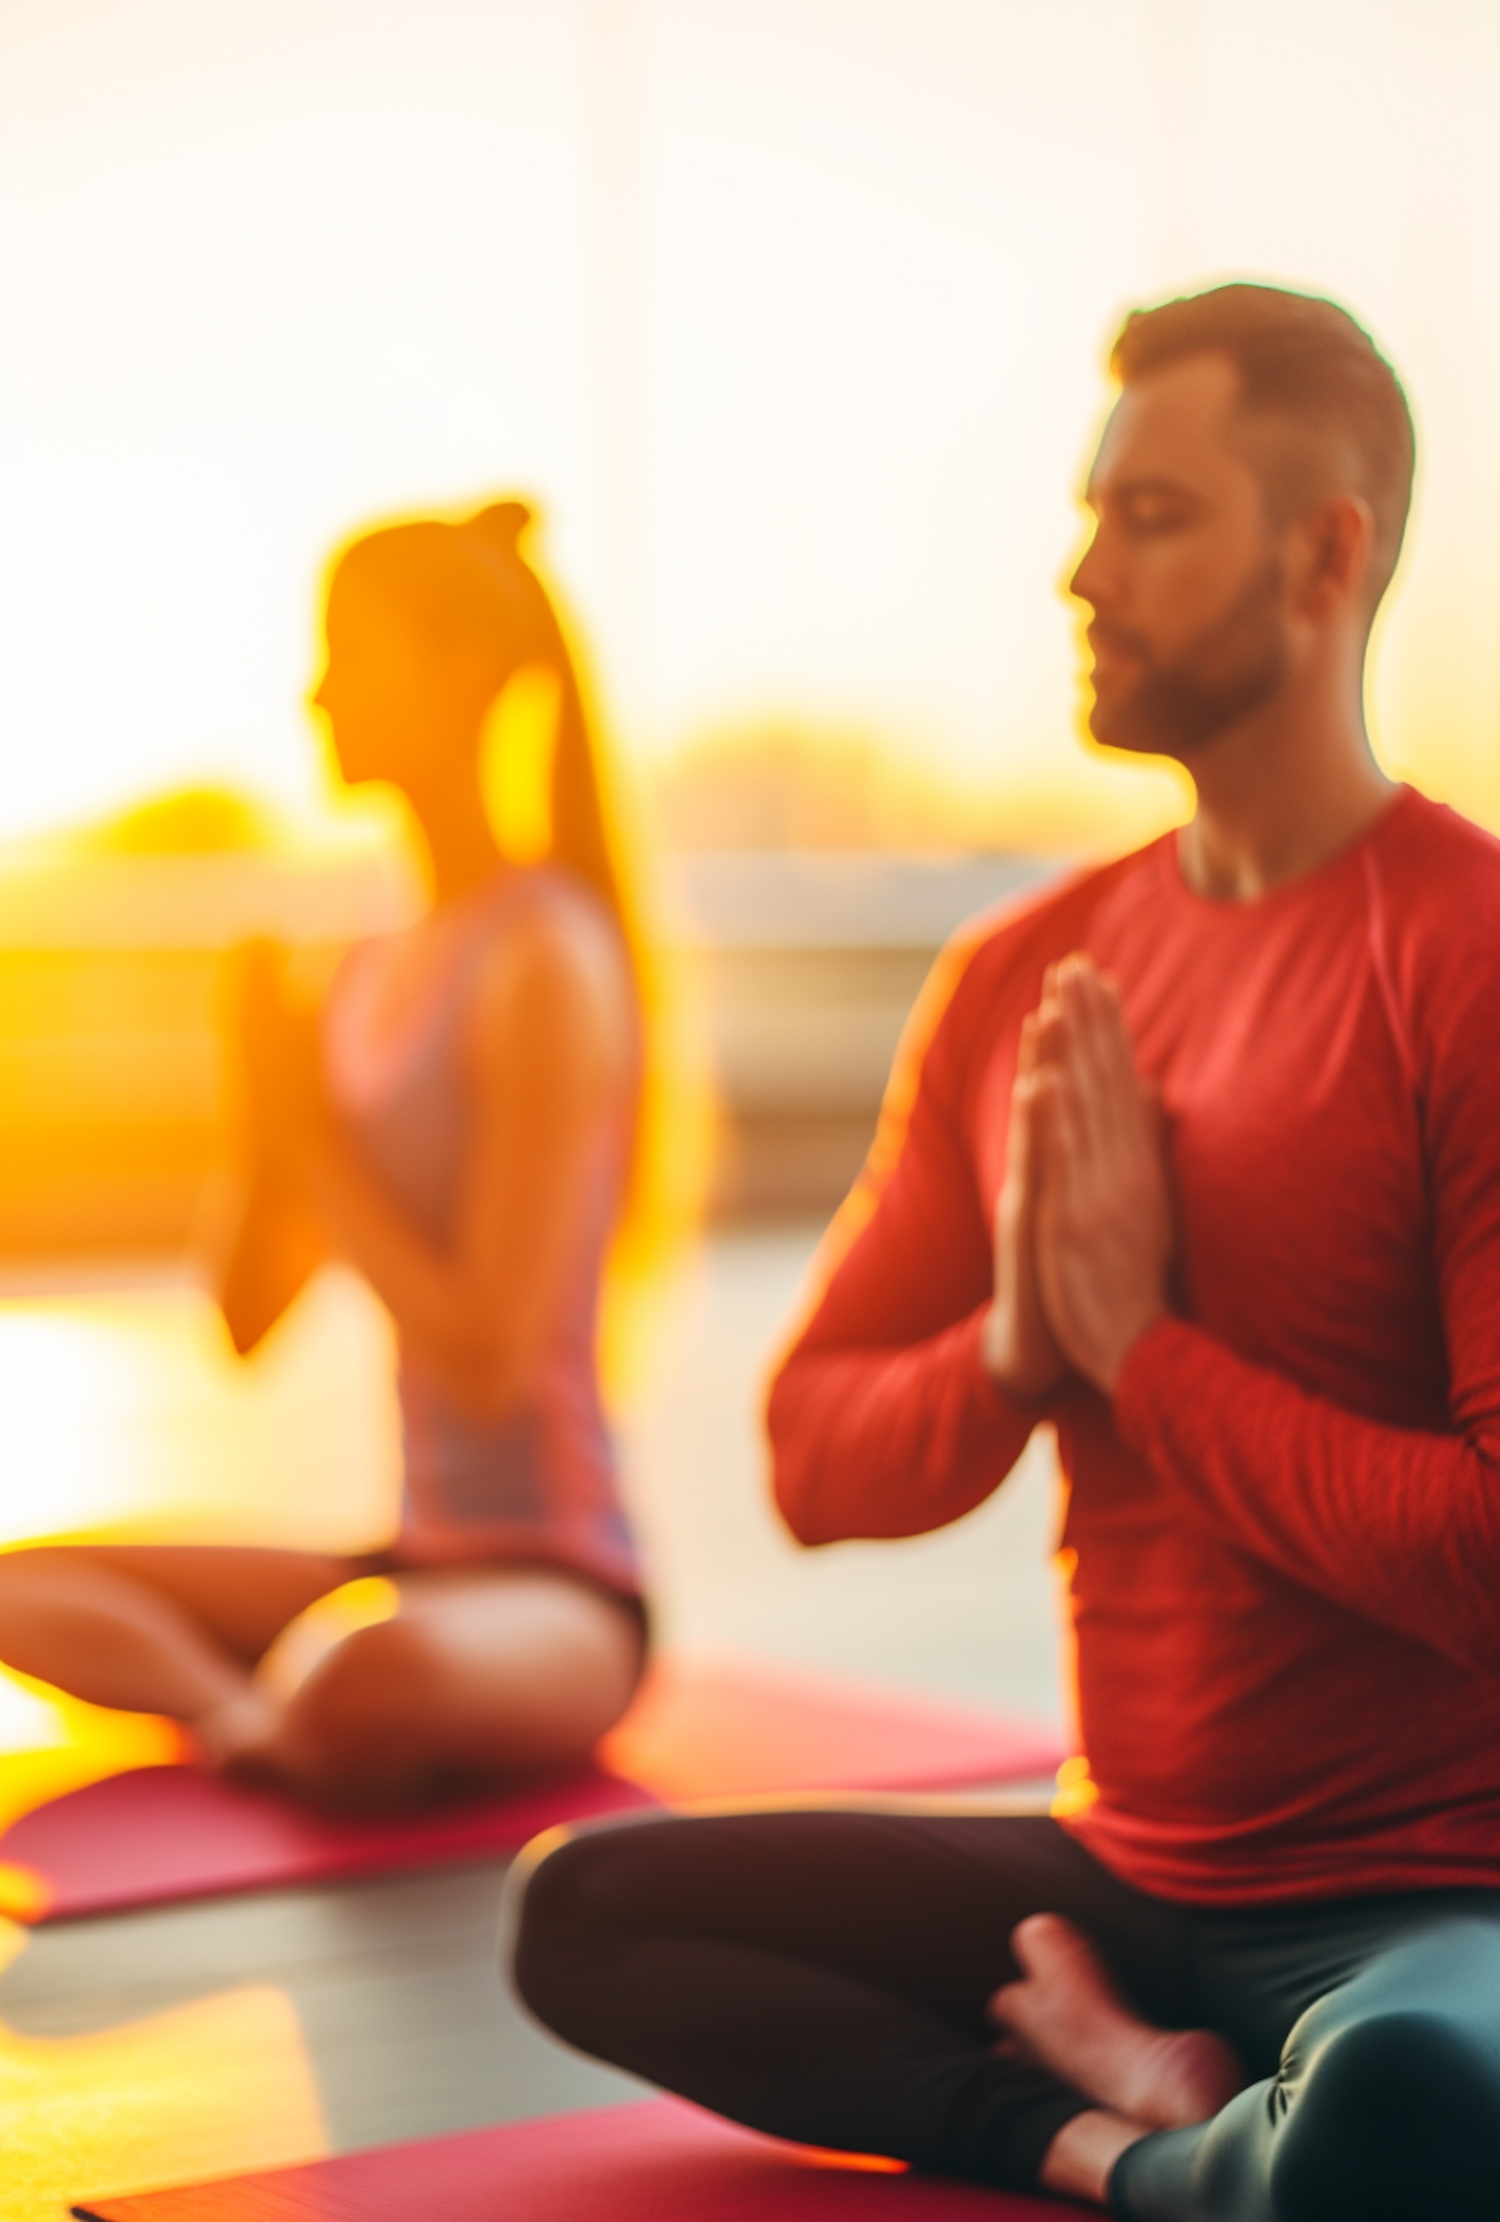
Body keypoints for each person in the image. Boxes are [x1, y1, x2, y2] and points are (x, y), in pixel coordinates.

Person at [509, 286, 1500, 2219]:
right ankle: (1108, 2128)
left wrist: (1143, 1357)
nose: (1078, 571)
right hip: (1109, 1880)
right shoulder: (1015, 981)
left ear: (1324, 554)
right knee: (588, 1910)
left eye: (1151, 516)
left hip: (1426, 1900)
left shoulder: (1463, 957)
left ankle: (1166, 2124)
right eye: (1090, 511)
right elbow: (807, 1453)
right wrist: (1020, 1354)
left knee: (1410, 2106)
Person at [0, 500, 649, 1805]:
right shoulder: (364, 964)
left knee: (368, 1667)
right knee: (17, 1584)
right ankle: (247, 1714)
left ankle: (299, 1707)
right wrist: (261, 1106)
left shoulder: (545, 958)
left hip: (560, 1587)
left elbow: (485, 1343)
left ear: (462, 671)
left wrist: (314, 1134)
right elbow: (248, 1317)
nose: (315, 694)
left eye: (348, 654)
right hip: (412, 1554)